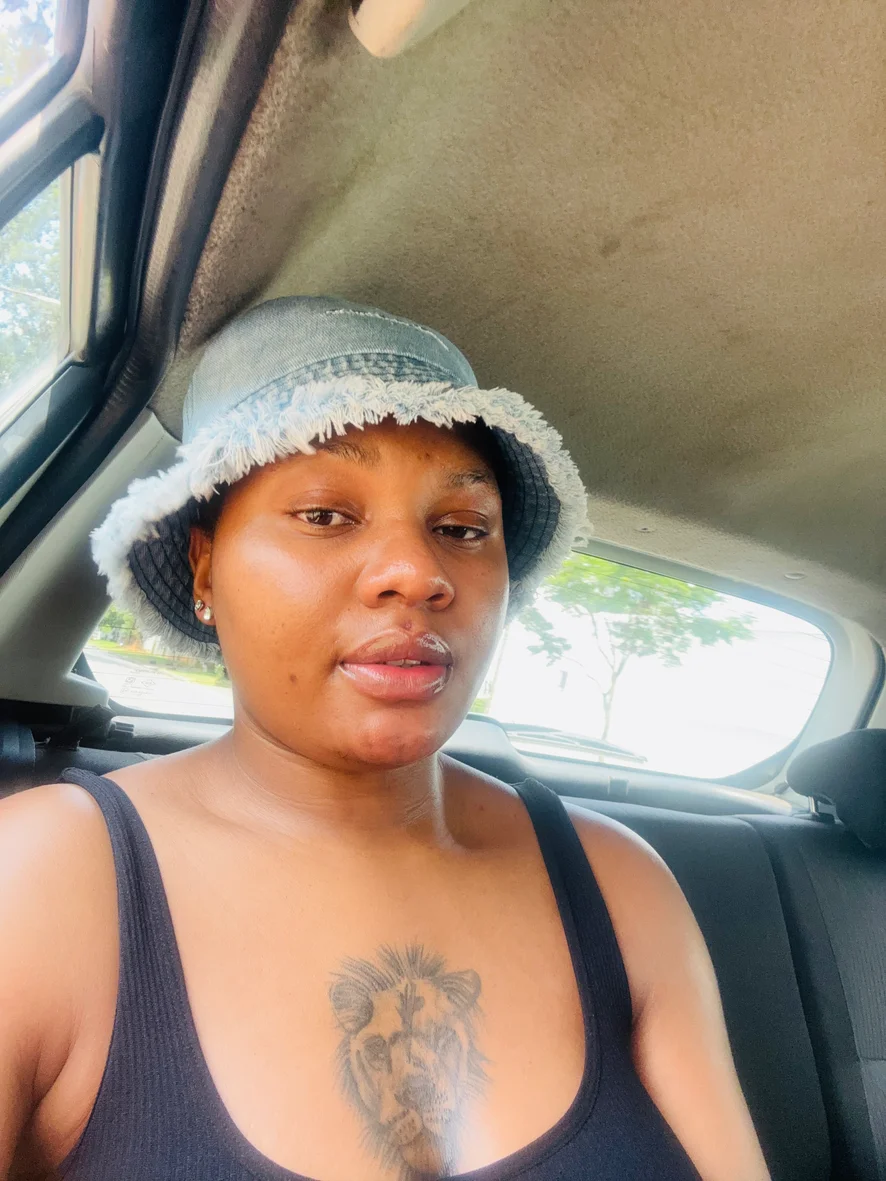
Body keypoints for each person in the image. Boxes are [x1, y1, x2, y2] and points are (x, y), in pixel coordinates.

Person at [0, 297, 769, 1181]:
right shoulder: (40, 881)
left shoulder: (620, 883)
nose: (419, 573)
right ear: (205, 566)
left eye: (461, 529)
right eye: (325, 514)